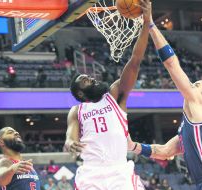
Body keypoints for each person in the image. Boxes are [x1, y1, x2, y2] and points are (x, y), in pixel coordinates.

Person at [129, 3, 202, 189]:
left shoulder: (201, 107)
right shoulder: (188, 128)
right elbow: (163, 151)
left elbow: (171, 64)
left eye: (197, 85)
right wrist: (132, 146)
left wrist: (151, 25)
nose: (192, 86)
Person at [65, 0, 153, 189]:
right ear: (80, 92)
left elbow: (135, 60)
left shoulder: (115, 95)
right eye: (86, 80)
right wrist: (70, 143)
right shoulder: (77, 110)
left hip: (119, 172)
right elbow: (70, 137)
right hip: (90, 173)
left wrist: (146, 23)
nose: (92, 79)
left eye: (90, 77)